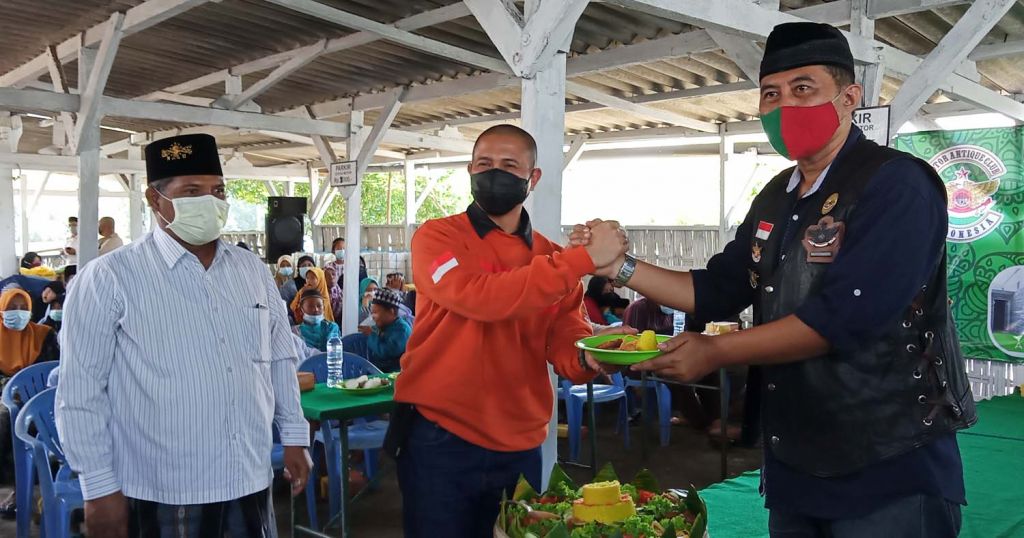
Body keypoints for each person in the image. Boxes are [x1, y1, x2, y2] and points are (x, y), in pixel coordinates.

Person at [571, 22, 975, 537]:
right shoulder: (776, 196)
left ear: (849, 98)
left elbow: (843, 318)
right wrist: (617, 267)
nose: (784, 105)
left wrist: (715, 351)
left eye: (803, 88)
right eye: (771, 94)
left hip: (888, 460)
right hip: (795, 458)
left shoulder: (897, 184)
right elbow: (717, 290)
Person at [55, 133, 310, 538]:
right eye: (192, 191)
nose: (209, 201)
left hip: (248, 474)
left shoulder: (251, 271)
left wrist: (294, 435)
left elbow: (279, 357)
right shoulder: (109, 278)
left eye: (217, 191)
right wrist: (99, 487)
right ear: (155, 200)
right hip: (164, 488)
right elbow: (81, 389)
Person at [388, 124, 630, 536]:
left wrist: (593, 354)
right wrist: (583, 260)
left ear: (532, 178)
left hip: (520, 446)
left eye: (509, 165)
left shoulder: (553, 260)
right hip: (440, 439)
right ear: (470, 171)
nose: (494, 172)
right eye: (484, 163)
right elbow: (480, 298)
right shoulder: (437, 237)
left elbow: (565, 341)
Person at [0, 287, 60, 519]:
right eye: (12, 308)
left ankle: (23, 493)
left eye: (23, 308)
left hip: (36, 398)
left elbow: (51, 373)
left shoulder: (43, 335)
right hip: (5, 400)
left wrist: (23, 390)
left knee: (34, 423)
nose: (18, 312)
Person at [358, 288, 411, 373]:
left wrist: (371, 334)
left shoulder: (402, 330)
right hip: (379, 370)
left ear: (391, 312)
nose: (373, 317)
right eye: (372, 313)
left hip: (395, 373)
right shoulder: (382, 325)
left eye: (375, 312)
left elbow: (386, 352)